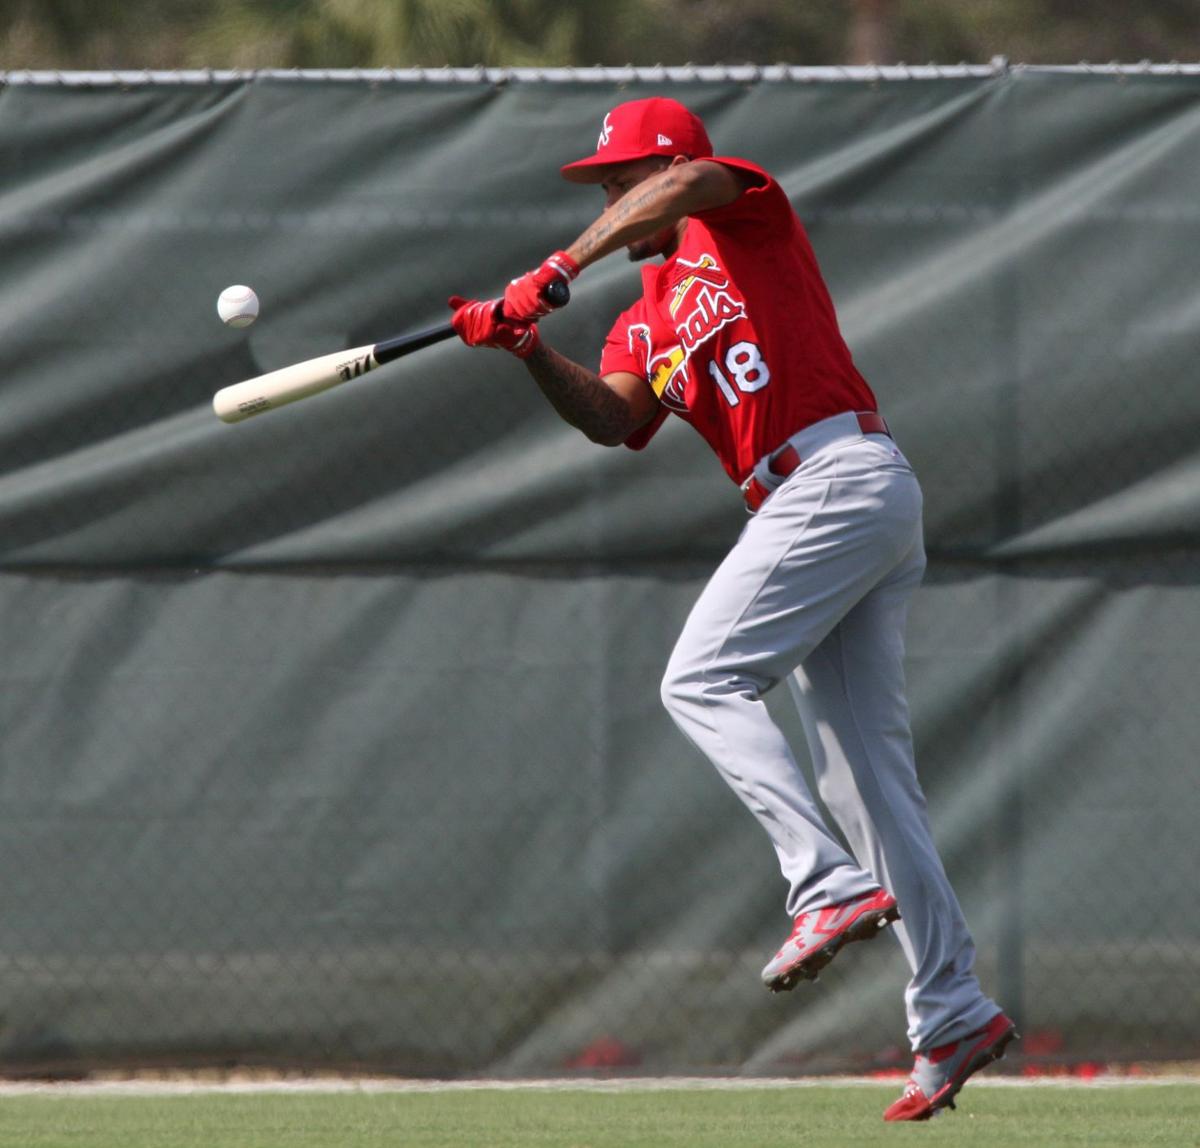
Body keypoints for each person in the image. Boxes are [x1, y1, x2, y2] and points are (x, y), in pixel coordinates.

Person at [449, 96, 1015, 1121]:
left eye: (620, 180)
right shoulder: (644, 311)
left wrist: (557, 267)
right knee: (870, 787)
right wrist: (530, 347)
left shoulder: (734, 211)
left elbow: (682, 184)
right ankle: (953, 1006)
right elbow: (617, 417)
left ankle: (822, 887)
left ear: (665, 170)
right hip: (822, 505)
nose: (614, 194)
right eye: (604, 186)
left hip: (836, 475)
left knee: (698, 675)